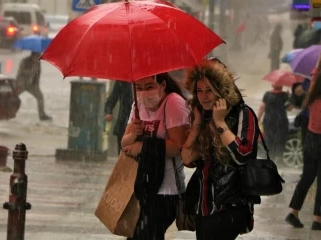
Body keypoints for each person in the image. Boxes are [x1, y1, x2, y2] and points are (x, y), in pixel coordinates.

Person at [181, 59, 260, 240]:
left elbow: (242, 155)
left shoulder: (243, 114)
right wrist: (198, 123)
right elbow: (187, 159)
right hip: (204, 205)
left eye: (209, 90)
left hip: (231, 205)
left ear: (221, 90)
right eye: (199, 91)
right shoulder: (202, 117)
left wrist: (219, 122)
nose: (204, 96)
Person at [121, 73, 189, 240]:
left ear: (163, 85)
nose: (144, 92)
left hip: (166, 190)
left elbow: (179, 147)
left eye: (150, 86)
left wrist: (144, 146)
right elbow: (125, 145)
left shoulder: (173, 102)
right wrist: (133, 135)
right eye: (139, 88)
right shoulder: (137, 105)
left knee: (147, 235)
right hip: (142, 186)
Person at [286, 55, 321, 231]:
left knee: (307, 176)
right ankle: (318, 219)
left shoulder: (314, 83)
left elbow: (316, 70)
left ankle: (293, 212)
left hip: (311, 138)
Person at [257, 85, 292, 161]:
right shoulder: (285, 95)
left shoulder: (267, 94)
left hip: (269, 121)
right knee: (281, 140)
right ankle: (279, 159)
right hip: (281, 122)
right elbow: (290, 109)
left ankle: (271, 158)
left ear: (273, 85)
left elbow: (262, 107)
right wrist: (289, 98)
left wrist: (258, 119)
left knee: (270, 140)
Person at [16, 51, 52, 121]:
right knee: (13, 96)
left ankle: (42, 115)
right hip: (21, 83)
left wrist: (36, 84)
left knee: (40, 97)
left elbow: (38, 74)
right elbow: (21, 72)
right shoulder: (24, 61)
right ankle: (6, 111)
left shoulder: (38, 62)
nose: (39, 57)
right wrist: (31, 70)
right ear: (33, 55)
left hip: (32, 84)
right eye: (37, 55)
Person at [104, 81, 133, 153]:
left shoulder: (146, 79)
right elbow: (111, 99)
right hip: (123, 123)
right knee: (123, 155)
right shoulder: (122, 81)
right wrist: (108, 112)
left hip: (141, 124)